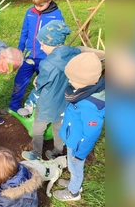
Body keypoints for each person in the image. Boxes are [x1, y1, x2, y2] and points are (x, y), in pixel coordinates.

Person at [21, 20, 81, 161]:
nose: (41, 48)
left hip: (47, 104)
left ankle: (36, 153)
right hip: (64, 102)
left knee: (38, 129)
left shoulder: (47, 64)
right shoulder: (74, 54)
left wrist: (37, 81)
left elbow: (41, 84)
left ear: (53, 44)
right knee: (59, 129)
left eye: (42, 44)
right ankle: (57, 153)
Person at [52, 52, 105, 202]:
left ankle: (74, 191)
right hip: (73, 137)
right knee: (72, 167)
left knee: (75, 168)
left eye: (73, 79)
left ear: (86, 81)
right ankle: (74, 184)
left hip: (78, 145)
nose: (69, 81)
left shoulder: (91, 107)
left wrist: (80, 153)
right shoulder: (84, 92)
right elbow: (75, 112)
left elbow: (91, 134)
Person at [8, 0, 64, 113]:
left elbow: (59, 38)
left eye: (41, 5)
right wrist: (19, 50)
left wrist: (55, 56)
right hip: (29, 56)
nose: (38, 8)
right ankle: (13, 106)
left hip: (46, 58)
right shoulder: (30, 12)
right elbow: (24, 31)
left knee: (44, 84)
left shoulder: (56, 15)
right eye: (35, 4)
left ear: (49, 0)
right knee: (19, 80)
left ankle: (41, 109)